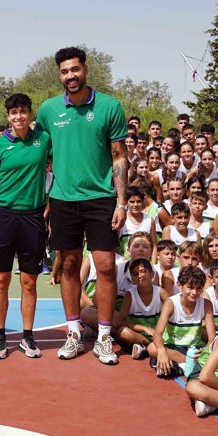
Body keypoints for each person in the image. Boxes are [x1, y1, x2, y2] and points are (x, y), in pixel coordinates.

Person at [33, 47, 129, 363]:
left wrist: (121, 202)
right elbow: (32, 145)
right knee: (69, 266)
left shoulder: (109, 107)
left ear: (85, 70)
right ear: (59, 75)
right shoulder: (48, 110)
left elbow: (119, 157)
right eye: (64, 71)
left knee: (104, 267)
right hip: (62, 199)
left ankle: (103, 336)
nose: (70, 76)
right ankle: (74, 333)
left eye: (75, 69)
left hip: (101, 199)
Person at [0, 93, 51, 359]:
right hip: (3, 217)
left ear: (30, 114)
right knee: (1, 279)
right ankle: (0, 337)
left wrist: (48, 211)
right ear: (8, 116)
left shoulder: (44, 140)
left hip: (32, 218)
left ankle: (27, 337)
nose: (19, 117)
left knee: (29, 281)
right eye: (13, 113)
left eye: (23, 111)